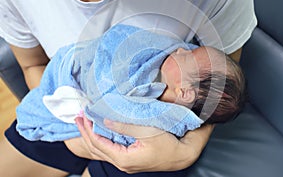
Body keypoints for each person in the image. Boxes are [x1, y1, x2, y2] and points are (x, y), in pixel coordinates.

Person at [0, 0, 257, 177]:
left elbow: (218, 89)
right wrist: (72, 126)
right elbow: (33, 66)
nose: (181, 50)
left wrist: (186, 151)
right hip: (66, 100)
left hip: (151, 150)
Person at [16, 24, 245, 146]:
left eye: (188, 57)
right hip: (75, 70)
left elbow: (111, 112)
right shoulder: (160, 64)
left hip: (91, 120)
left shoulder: (158, 117)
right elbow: (117, 40)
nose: (183, 49)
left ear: (184, 92)